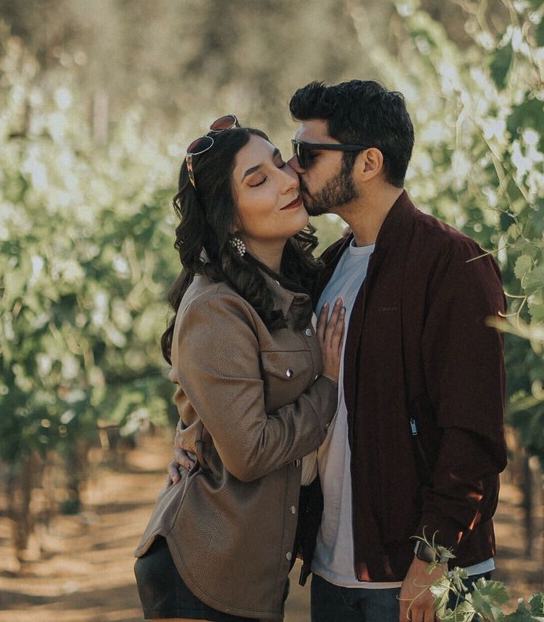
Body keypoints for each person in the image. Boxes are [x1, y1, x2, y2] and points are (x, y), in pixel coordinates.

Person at [286, 80, 508, 622]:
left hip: (421, 579)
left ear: (368, 163)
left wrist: (433, 556)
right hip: (336, 572)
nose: (295, 169)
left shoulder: (454, 265)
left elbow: (473, 433)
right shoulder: (331, 268)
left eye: (308, 155)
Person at [134, 115, 347, 622]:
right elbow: (248, 454)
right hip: (204, 570)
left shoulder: (293, 289)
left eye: (279, 165)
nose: (286, 181)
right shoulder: (215, 308)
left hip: (249, 575)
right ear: (229, 219)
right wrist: (329, 388)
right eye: (258, 180)